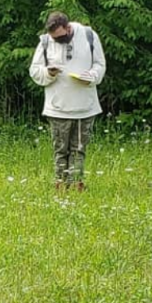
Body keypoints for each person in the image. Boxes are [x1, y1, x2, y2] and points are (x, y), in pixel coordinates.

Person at [28, 11, 105, 192]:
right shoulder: (46, 42)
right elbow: (35, 70)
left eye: (61, 37)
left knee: (79, 149)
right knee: (60, 149)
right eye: (55, 38)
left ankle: (77, 183)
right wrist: (49, 73)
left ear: (68, 28)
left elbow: (100, 64)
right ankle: (61, 185)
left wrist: (92, 76)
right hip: (57, 107)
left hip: (85, 106)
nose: (58, 41)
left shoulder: (89, 36)